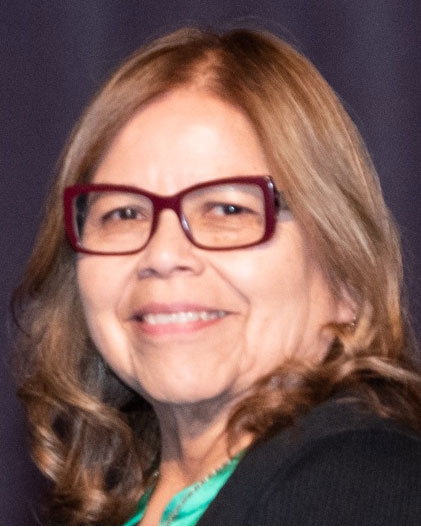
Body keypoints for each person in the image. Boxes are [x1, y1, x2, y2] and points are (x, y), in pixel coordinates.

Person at [12, 27, 421, 525]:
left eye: (228, 209)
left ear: (344, 272)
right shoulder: (130, 506)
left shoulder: (365, 489)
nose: (163, 254)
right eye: (123, 214)